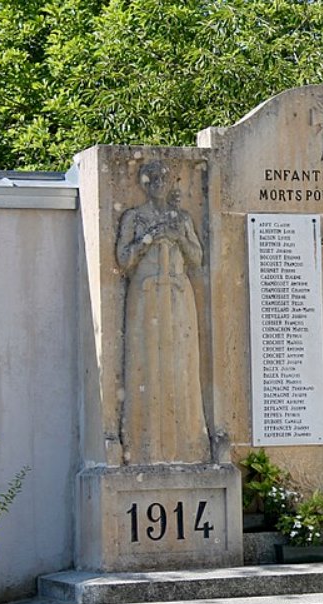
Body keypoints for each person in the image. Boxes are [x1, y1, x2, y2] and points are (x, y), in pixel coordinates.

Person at [116, 161, 208, 464]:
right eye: (152, 178)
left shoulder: (181, 217)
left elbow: (196, 258)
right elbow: (124, 260)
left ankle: (188, 446)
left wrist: (179, 235)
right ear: (143, 183)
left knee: (181, 366)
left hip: (178, 297)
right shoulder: (134, 217)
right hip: (146, 298)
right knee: (146, 364)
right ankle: (143, 448)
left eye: (162, 178)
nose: (158, 182)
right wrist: (150, 237)